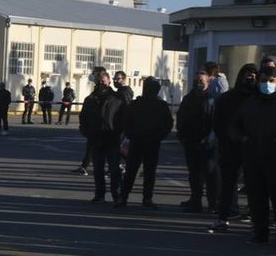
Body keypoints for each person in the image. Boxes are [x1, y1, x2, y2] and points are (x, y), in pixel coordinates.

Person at [230, 64, 276, 245]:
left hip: (274, 159)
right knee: (257, 200)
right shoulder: (251, 103)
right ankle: (260, 233)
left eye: (271, 81)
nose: (267, 84)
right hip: (253, 159)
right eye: (264, 81)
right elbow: (234, 125)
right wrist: (241, 138)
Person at [209, 64, 257, 232]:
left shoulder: (259, 99)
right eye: (247, 76)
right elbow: (218, 122)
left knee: (255, 186)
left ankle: (258, 221)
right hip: (230, 147)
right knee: (228, 184)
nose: (250, 79)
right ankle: (223, 217)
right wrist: (229, 137)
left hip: (254, 148)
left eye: (253, 76)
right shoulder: (228, 98)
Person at [116, 77, 173, 209]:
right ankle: (133, 197)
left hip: (148, 141)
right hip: (140, 141)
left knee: (142, 171)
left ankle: (136, 198)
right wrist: (131, 134)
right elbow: (127, 121)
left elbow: (167, 124)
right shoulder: (138, 104)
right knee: (137, 171)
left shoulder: (158, 105)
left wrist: (158, 136)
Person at [176, 67, 219, 213]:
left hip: (207, 144)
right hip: (190, 142)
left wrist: (209, 139)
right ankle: (196, 201)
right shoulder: (188, 98)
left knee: (210, 175)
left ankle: (213, 203)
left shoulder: (211, 99)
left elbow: (215, 123)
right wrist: (181, 136)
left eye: (201, 80)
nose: (198, 82)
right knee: (194, 175)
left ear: (207, 81)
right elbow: (181, 118)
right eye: (196, 80)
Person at [79, 69, 124, 203]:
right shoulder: (90, 100)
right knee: (98, 170)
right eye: (99, 82)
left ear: (109, 82)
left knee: (114, 169)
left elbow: (122, 120)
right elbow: (83, 119)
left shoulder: (116, 99)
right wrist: (87, 133)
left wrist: (119, 138)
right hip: (96, 140)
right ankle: (99, 195)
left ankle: (117, 195)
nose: (101, 84)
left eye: (103, 82)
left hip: (111, 140)